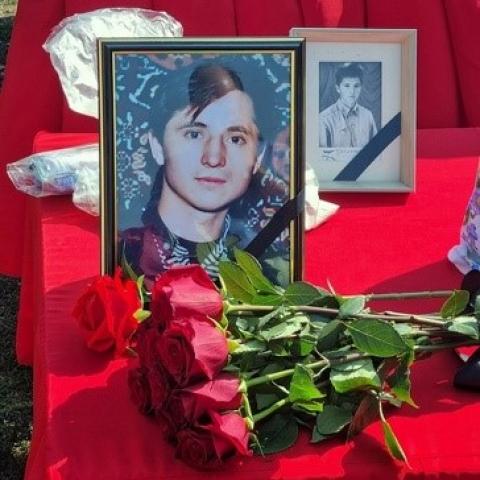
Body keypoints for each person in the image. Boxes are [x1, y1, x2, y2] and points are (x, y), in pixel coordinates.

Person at [120, 62, 287, 285]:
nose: (214, 158)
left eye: (235, 139)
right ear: (157, 146)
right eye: (194, 135)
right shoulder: (126, 255)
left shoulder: (267, 266)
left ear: (258, 156)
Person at [319, 63, 377, 148]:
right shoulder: (324, 118)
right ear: (338, 88)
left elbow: (376, 149)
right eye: (347, 86)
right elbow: (321, 154)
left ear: (361, 87)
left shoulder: (368, 116)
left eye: (356, 86)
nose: (352, 91)